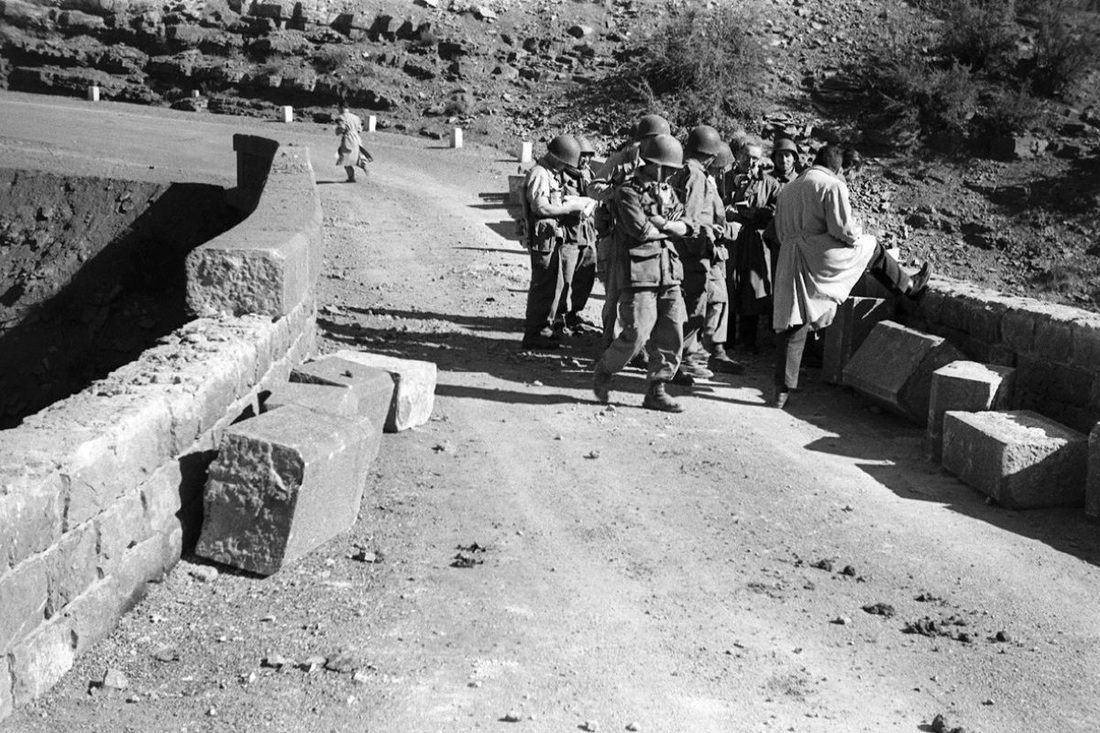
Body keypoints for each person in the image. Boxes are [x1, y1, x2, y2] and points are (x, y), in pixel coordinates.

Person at [771, 144, 933, 409]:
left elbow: (778, 233)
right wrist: (856, 235)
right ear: (837, 167)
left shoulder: (788, 189)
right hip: (818, 255)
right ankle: (909, 286)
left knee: (793, 319)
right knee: (872, 247)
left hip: (790, 255)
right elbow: (843, 231)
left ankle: (782, 390)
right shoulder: (831, 185)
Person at [592, 133, 695, 413]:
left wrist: (666, 225)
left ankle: (656, 390)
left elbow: (687, 224)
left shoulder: (667, 192)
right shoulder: (627, 192)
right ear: (653, 164)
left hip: (669, 272)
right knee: (637, 333)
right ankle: (605, 369)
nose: (671, 175)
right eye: (668, 169)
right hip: (639, 275)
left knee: (672, 332)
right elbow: (641, 231)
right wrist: (669, 227)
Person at [589, 114, 673, 350]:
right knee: (616, 291)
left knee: (646, 295)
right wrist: (619, 193)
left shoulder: (663, 160)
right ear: (643, 139)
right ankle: (609, 342)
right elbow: (593, 188)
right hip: (620, 233)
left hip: (651, 235)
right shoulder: (620, 160)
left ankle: (639, 346)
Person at [521, 134, 596, 350]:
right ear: (557, 158)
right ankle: (534, 334)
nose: (565, 168)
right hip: (543, 240)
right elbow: (541, 207)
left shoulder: (549, 174)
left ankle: (543, 329)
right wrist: (568, 209)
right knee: (543, 286)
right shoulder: (540, 174)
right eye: (565, 163)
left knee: (553, 285)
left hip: (551, 239)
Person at [669, 124, 727, 384]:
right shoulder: (696, 176)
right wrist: (702, 243)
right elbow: (690, 218)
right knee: (693, 307)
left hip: (682, 249)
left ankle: (685, 356)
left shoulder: (681, 170)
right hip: (693, 251)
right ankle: (682, 359)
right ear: (711, 155)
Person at [727, 140, 783, 353]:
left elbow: (779, 210)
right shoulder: (726, 178)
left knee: (752, 288)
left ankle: (749, 341)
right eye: (747, 156)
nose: (750, 162)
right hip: (730, 239)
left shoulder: (769, 183)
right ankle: (726, 340)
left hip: (755, 242)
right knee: (729, 286)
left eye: (755, 158)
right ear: (739, 155)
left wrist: (758, 213)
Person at [702, 141, 744, 373]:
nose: (724, 173)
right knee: (715, 300)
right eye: (722, 167)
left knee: (716, 300)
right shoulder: (702, 183)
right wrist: (730, 229)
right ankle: (710, 351)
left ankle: (712, 349)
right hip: (707, 251)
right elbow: (704, 222)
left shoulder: (707, 182)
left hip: (714, 252)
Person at [555, 135, 599, 334]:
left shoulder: (589, 174)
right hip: (569, 235)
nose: (586, 160)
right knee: (565, 278)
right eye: (582, 156)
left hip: (588, 235)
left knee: (586, 277)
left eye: (589, 156)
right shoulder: (560, 176)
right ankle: (559, 315)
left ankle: (574, 312)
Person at [335, 103, 367, 183]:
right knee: (357, 155)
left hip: (348, 139)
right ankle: (364, 166)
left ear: (342, 107)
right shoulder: (356, 117)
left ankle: (351, 178)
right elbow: (359, 129)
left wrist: (337, 132)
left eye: (338, 108)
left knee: (346, 160)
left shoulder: (341, 117)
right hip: (357, 138)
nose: (337, 109)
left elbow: (341, 128)